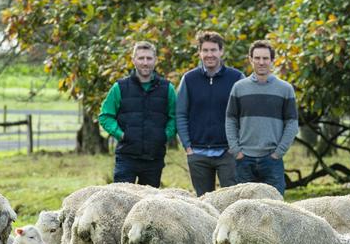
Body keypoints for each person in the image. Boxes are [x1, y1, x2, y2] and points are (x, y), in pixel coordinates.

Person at [98, 41, 176, 187]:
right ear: (133, 61)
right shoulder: (119, 87)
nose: (145, 63)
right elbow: (105, 116)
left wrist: (164, 135)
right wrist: (121, 134)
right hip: (127, 157)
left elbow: (175, 117)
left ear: (155, 60)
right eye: (141, 58)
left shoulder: (167, 89)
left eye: (149, 58)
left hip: (154, 158)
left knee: (149, 204)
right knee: (121, 201)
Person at [225, 40, 298, 195]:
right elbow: (230, 119)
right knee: (244, 211)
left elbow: (292, 123)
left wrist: (278, 153)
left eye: (265, 58)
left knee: (275, 209)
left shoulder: (285, 89)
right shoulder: (239, 88)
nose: (261, 62)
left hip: (272, 160)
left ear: (272, 60)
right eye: (257, 58)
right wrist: (236, 151)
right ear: (250, 59)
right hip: (244, 160)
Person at [176, 31, 245, 196]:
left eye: (213, 50)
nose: (209, 54)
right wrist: (188, 147)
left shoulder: (236, 78)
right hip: (197, 153)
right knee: (203, 205)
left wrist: (235, 146)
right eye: (205, 50)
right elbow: (181, 114)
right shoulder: (189, 79)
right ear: (199, 53)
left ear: (221, 51)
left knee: (232, 201)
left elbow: (245, 114)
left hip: (228, 153)